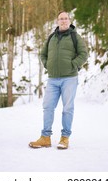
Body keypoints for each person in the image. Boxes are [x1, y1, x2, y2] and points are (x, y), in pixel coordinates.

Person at [29, 11, 88, 149]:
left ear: (69, 20)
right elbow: (43, 54)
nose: (63, 21)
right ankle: (45, 138)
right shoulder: (51, 38)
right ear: (57, 21)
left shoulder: (75, 37)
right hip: (53, 79)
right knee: (48, 107)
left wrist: (73, 65)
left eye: (65, 18)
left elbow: (84, 54)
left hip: (69, 78)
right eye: (61, 19)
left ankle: (64, 138)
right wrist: (47, 64)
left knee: (67, 108)